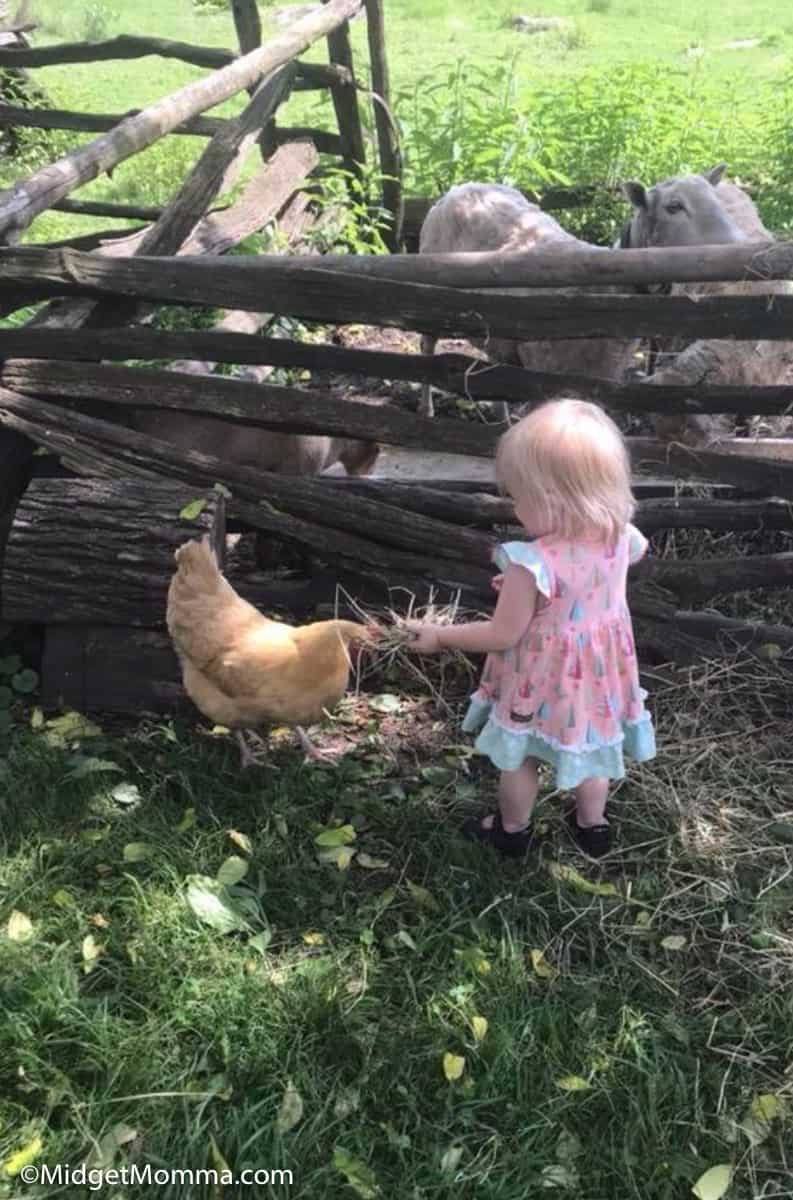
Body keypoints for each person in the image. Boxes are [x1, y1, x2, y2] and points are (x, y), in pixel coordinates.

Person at [407, 399, 656, 859]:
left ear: (554, 501)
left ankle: (511, 829)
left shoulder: (530, 562)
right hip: (597, 679)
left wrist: (441, 636)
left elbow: (502, 635)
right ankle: (592, 825)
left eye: (519, 498)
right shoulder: (622, 537)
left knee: (520, 756)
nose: (515, 508)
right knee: (590, 745)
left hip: (541, 682)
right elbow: (585, 590)